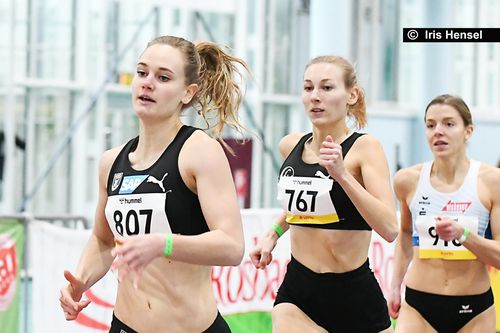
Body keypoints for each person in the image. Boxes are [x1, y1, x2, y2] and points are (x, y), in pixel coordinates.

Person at [59, 35, 250, 333]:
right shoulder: (111, 162)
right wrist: (80, 280)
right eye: (142, 72)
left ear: (187, 93)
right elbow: (103, 240)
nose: (147, 83)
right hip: (126, 325)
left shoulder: (198, 151)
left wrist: (163, 243)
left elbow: (232, 245)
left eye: (163, 77)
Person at [250, 55, 398, 333]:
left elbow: (389, 228)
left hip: (354, 293)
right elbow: (305, 206)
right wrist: (272, 234)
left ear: (351, 95)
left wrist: (342, 175)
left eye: (327, 88)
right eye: (308, 88)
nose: (315, 97)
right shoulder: (290, 146)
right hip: (298, 292)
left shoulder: (365, 149)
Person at [388, 94, 500, 333]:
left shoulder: (492, 182)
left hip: (474, 310)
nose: (438, 131)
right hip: (419, 306)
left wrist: (464, 235)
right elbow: (405, 234)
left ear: (468, 131)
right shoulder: (407, 180)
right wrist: (395, 285)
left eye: (449, 124)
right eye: (430, 125)